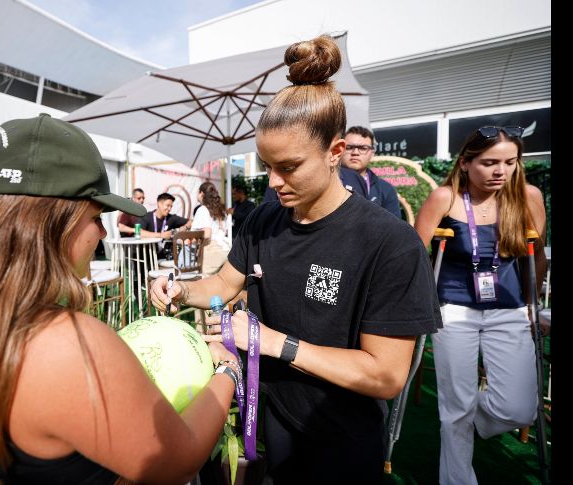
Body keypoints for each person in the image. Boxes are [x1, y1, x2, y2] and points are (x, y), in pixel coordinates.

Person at [150, 34, 442, 484]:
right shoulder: (264, 220)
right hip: (273, 421)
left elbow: (385, 376)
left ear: (336, 152)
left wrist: (274, 342)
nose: (275, 182)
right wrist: (181, 289)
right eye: (267, 166)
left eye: (289, 166)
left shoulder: (390, 243)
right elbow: (224, 286)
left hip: (344, 438)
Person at [0, 114, 240, 484]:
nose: (102, 232)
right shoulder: (66, 342)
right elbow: (177, 459)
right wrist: (226, 371)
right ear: (51, 222)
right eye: (95, 216)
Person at [413, 125, 547, 485]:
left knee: (519, 408)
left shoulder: (528, 197)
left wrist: (534, 305)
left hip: (510, 307)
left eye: (510, 162)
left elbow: (536, 260)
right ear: (466, 163)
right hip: (453, 310)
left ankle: (469, 419)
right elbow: (413, 258)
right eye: (489, 163)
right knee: (454, 407)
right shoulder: (445, 198)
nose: (501, 171)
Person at [341, 125, 402, 218]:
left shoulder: (386, 189)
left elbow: (394, 228)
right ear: (340, 150)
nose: (355, 152)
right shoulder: (326, 182)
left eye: (363, 148)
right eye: (349, 147)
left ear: (372, 154)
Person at [192, 181, 231, 274]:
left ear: (201, 193)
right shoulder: (221, 210)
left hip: (210, 251)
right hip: (225, 250)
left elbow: (206, 234)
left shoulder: (202, 210)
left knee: (205, 284)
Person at [138, 192, 191, 259]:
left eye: (171, 206)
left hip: (164, 256)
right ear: (159, 204)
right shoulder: (147, 216)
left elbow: (190, 221)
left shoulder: (171, 218)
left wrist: (185, 227)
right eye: (168, 205)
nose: (169, 209)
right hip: (146, 256)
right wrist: (160, 235)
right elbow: (139, 232)